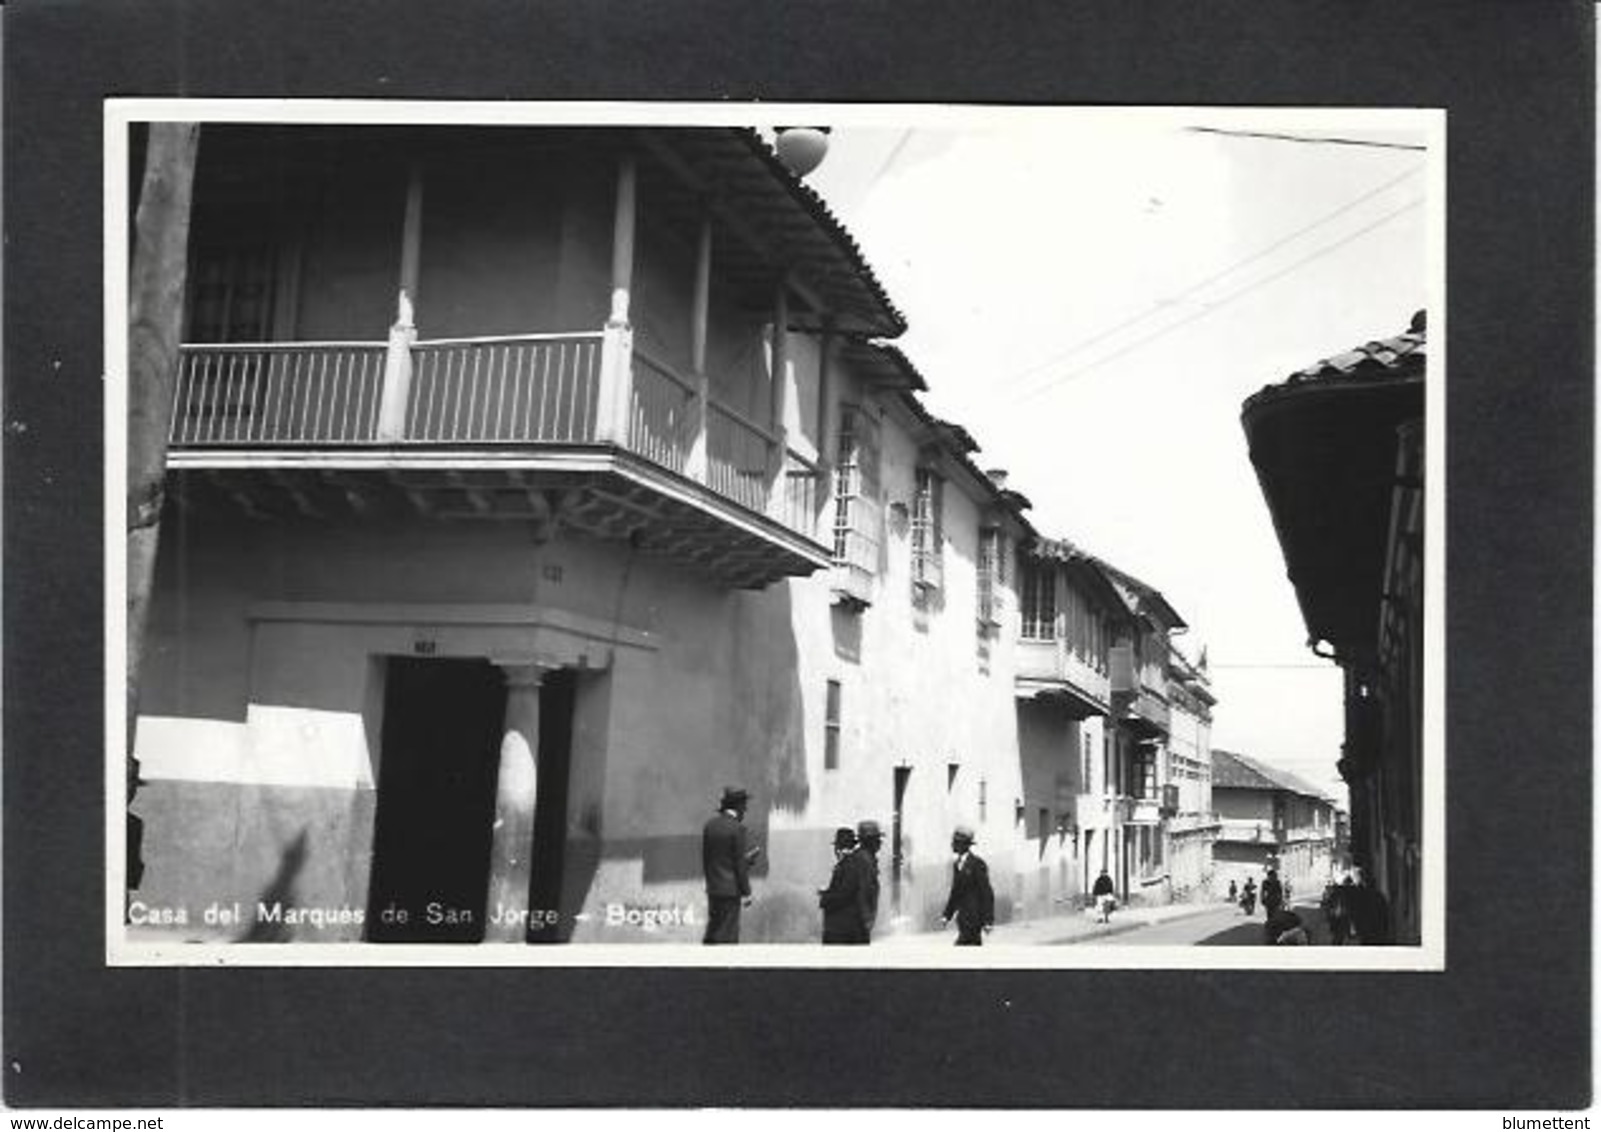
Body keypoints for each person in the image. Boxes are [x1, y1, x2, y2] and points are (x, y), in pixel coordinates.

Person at [702, 786, 754, 944]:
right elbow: (738, 864)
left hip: (714, 889)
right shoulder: (737, 829)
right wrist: (747, 892)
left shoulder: (710, 826)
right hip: (731, 891)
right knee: (728, 936)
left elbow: (708, 859)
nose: (746, 810)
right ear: (738, 806)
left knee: (714, 931)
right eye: (744, 806)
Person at [941, 825, 995, 945]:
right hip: (963, 921)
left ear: (964, 845)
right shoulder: (957, 865)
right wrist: (947, 915)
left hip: (974, 921)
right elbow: (955, 893)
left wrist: (988, 921)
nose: (952, 845)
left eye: (955, 842)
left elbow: (987, 893)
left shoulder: (977, 864)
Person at [818, 827, 867, 943]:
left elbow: (845, 894)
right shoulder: (847, 864)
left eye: (838, 846)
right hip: (842, 927)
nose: (836, 850)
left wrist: (825, 898)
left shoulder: (849, 865)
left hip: (842, 930)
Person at [852, 820, 884, 941]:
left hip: (860, 921)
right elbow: (862, 891)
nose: (880, 842)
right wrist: (867, 920)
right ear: (869, 841)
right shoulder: (864, 860)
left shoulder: (867, 858)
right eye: (877, 839)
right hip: (859, 923)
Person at [1321, 877, 1354, 945]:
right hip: (1336, 918)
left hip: (1340, 918)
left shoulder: (1343, 895)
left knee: (1339, 935)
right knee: (1337, 935)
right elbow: (1326, 905)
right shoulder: (1336, 895)